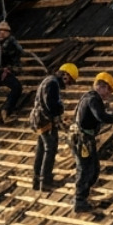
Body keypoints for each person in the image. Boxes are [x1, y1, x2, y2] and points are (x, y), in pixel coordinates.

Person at [69, 71, 113, 215]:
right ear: (103, 86)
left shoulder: (87, 96)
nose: (108, 95)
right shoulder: (94, 99)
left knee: (93, 169)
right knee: (86, 169)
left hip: (82, 138)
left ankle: (81, 197)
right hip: (83, 140)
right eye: (109, 91)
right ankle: (79, 201)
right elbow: (100, 116)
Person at [30, 62, 79, 192]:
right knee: (50, 149)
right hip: (45, 120)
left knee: (41, 149)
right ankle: (45, 181)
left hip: (39, 119)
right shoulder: (53, 84)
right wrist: (60, 111)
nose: (68, 85)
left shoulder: (49, 80)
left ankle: (37, 180)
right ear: (65, 75)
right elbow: (51, 105)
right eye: (70, 81)